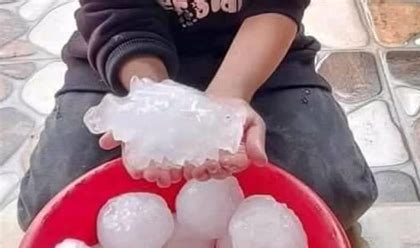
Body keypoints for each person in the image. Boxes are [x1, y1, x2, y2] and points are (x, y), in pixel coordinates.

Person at [18, 0, 377, 231]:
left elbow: (277, 7)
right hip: (126, 58)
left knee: (335, 192)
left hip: (253, 56)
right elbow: (117, 16)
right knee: (49, 210)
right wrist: (155, 106)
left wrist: (228, 96)